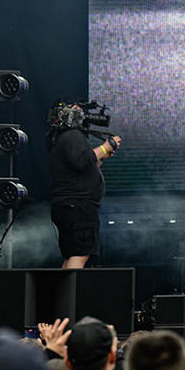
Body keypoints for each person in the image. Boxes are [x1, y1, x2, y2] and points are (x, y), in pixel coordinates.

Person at [47, 103, 120, 270]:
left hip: (69, 205)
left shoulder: (58, 138)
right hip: (78, 206)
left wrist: (101, 156)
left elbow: (81, 167)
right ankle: (70, 295)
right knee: (80, 254)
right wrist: (105, 147)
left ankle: (65, 294)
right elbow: (81, 161)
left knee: (73, 254)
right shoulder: (73, 135)